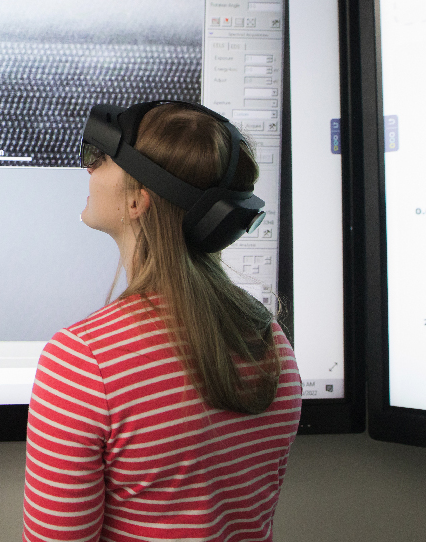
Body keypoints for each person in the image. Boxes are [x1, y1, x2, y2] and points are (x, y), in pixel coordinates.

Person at [22, 101, 302, 541]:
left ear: (138, 199)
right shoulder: (269, 341)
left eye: (99, 160)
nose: (89, 171)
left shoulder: (83, 362)